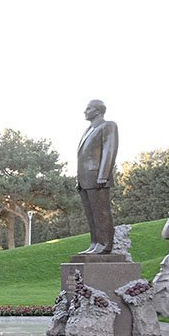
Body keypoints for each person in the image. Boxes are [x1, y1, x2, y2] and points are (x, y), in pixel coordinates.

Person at [76, 99, 119, 254]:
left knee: (101, 213)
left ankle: (105, 244)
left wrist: (103, 175)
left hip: (98, 177)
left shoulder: (108, 126)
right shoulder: (89, 129)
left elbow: (109, 151)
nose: (85, 111)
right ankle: (95, 243)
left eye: (88, 108)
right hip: (85, 179)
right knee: (91, 214)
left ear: (98, 110)